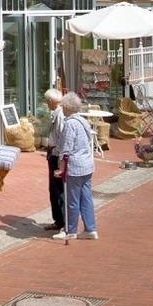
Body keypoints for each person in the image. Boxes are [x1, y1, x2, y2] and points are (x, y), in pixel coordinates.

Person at [52, 91, 98, 241]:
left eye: (63, 106)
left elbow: (66, 148)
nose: (62, 109)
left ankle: (70, 230)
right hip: (87, 164)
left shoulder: (70, 123)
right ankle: (90, 229)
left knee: (72, 200)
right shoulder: (83, 121)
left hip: (75, 166)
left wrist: (61, 167)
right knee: (86, 199)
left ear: (67, 107)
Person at [42, 88, 65, 232]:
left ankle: (62, 221)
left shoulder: (60, 115)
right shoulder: (56, 113)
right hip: (54, 153)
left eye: (47, 101)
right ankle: (58, 220)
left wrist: (58, 157)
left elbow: (62, 137)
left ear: (51, 101)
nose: (46, 103)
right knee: (53, 188)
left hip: (57, 155)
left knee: (58, 188)